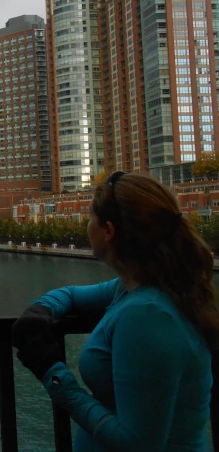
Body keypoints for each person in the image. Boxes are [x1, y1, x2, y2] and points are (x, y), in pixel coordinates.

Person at [11, 172, 219, 451]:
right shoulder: (137, 286)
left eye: (90, 217)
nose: (87, 225)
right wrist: (41, 311)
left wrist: (52, 372)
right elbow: (71, 294)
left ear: (108, 230)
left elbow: (136, 443)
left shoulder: (149, 315)